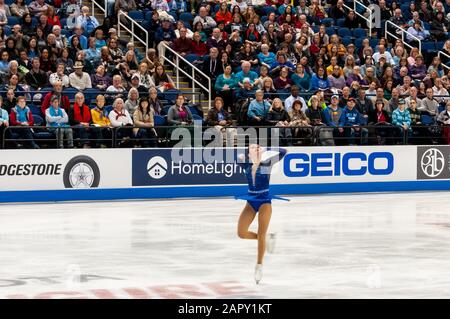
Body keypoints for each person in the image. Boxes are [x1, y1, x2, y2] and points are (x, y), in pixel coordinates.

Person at [235, 144, 288, 284]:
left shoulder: (267, 164)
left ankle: (259, 265)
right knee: (241, 233)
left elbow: (284, 151)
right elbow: (237, 158)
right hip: (251, 201)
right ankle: (267, 239)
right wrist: (240, 157)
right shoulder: (245, 165)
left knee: (261, 232)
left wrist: (267, 148)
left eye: (258, 146)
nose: (257, 147)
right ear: (248, 154)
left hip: (265, 201)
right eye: (253, 147)